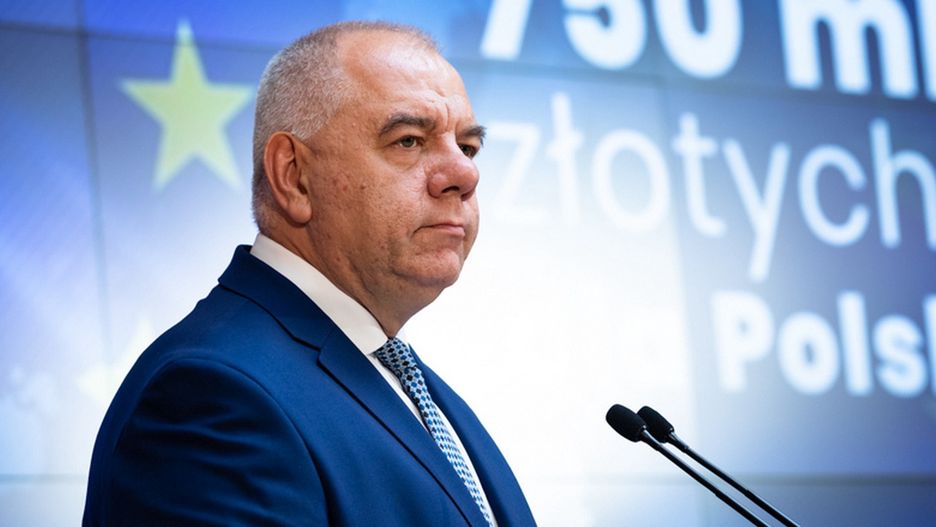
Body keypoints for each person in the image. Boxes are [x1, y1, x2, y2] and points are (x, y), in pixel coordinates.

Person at [83, 21, 536, 526]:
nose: (466, 175)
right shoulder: (211, 395)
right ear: (294, 176)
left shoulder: (408, 383)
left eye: (468, 147)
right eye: (409, 141)